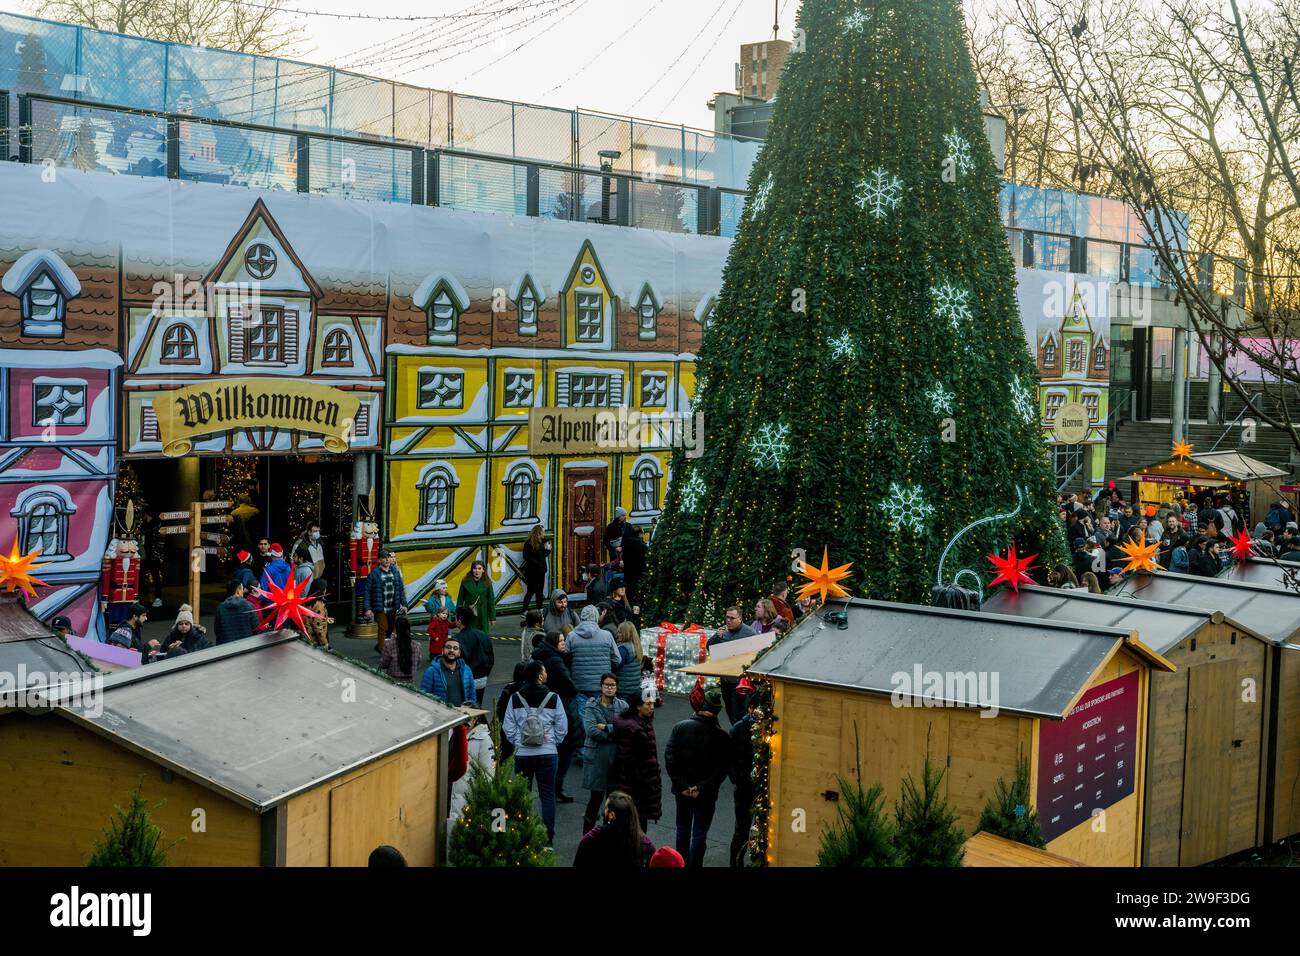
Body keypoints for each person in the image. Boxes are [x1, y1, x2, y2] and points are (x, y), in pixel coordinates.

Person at [665, 684, 731, 868]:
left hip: (682, 790)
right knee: (700, 833)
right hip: (706, 793)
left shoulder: (680, 728)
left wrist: (682, 785)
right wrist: (702, 787)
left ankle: (680, 863)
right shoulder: (722, 737)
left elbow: (670, 759)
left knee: (682, 829)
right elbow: (722, 769)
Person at [503, 660, 568, 845]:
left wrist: (519, 742)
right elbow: (562, 727)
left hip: (523, 755)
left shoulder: (515, 698)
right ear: (540, 676)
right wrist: (552, 742)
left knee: (523, 795)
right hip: (548, 754)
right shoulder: (553, 698)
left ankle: (523, 835)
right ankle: (548, 840)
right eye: (544, 671)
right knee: (547, 796)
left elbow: (508, 726)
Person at [531, 630, 579, 802]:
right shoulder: (556, 661)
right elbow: (569, 684)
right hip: (561, 706)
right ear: (553, 643)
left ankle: (551, 787)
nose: (563, 643)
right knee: (566, 747)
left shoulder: (542, 656)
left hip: (547, 706)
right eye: (560, 641)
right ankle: (555, 787)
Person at [581, 674, 629, 834]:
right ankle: (586, 835)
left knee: (613, 802)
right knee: (595, 799)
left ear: (617, 687)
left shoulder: (623, 706)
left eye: (613, 685)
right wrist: (614, 733)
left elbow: (626, 729)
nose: (609, 688)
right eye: (607, 685)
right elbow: (591, 730)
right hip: (597, 759)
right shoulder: (591, 705)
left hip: (615, 759)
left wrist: (606, 727)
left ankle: (609, 835)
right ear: (601, 686)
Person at [612, 692, 662, 832]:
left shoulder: (645, 722)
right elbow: (629, 758)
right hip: (637, 785)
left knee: (639, 822)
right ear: (638, 706)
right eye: (648, 704)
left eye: (653, 703)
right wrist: (643, 778)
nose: (652, 707)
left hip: (643, 783)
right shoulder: (633, 728)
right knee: (634, 823)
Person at [573, 790, 654, 868]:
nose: (603, 812)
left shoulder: (592, 839)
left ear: (612, 815)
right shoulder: (644, 844)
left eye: (605, 808)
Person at [448, 707, 496, 831]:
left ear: (476, 719)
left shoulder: (484, 740)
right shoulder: (451, 734)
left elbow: (488, 774)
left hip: (468, 796)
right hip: (450, 793)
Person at [708, 607, 757, 723]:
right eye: (727, 617)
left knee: (739, 712)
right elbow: (709, 648)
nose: (728, 620)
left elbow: (757, 655)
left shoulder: (750, 633)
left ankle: (740, 737)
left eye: (732, 618)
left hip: (740, 680)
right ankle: (736, 734)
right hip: (725, 679)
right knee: (729, 710)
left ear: (740, 619)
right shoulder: (723, 632)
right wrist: (716, 636)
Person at [729, 693, 760, 867]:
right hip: (744, 786)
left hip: (748, 785)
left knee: (749, 828)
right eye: (752, 708)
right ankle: (736, 862)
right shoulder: (739, 729)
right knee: (742, 828)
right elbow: (729, 757)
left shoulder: (739, 728)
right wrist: (737, 778)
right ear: (749, 708)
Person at [363, 549, 408, 655]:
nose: (387, 559)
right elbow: (367, 592)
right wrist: (368, 608)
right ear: (379, 560)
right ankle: (384, 651)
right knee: (383, 628)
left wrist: (405, 605)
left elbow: (401, 590)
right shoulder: (374, 574)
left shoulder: (395, 572)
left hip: (393, 606)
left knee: (393, 629)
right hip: (380, 607)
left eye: (388, 557)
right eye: (384, 558)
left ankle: (387, 647)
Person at [449, 605, 494, 705]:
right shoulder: (482, 635)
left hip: (465, 680)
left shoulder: (457, 639)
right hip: (482, 678)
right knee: (477, 705)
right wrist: (486, 674)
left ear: (459, 621)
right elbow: (491, 658)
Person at [420, 634, 476, 705]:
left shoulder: (466, 670)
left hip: (462, 714)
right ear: (443, 650)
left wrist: (470, 707)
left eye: (455, 648)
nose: (451, 650)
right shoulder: (432, 671)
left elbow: (472, 693)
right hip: (441, 714)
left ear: (459, 653)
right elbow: (424, 695)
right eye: (448, 647)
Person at [496, 662, 529, 764]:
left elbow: (500, 706)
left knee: (505, 752)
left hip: (507, 723)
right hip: (524, 725)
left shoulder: (508, 688)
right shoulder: (528, 689)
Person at [379, 609, 422, 683]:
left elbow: (383, 664)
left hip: (392, 680)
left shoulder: (389, 644)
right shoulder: (417, 645)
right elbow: (418, 663)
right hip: (410, 681)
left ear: (396, 629)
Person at [214, 579, 259, 644]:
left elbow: (217, 631)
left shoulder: (220, 608)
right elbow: (256, 629)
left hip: (226, 647)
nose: (243, 591)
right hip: (246, 646)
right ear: (238, 591)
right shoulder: (249, 606)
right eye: (242, 589)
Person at [457, 560, 496, 633]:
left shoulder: (487, 582)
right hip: (469, 614)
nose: (477, 571)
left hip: (483, 614)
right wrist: (458, 617)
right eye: (474, 568)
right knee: (469, 635)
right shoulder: (465, 581)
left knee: (482, 636)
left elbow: (491, 601)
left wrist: (492, 617)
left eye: (479, 568)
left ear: (483, 570)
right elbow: (460, 599)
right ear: (472, 569)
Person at [614, 621, 645, 708]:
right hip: (634, 687)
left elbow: (617, 665)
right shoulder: (637, 646)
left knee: (622, 713)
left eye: (620, 632)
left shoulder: (623, 649)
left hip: (624, 688)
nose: (618, 634)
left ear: (625, 633)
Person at [521, 525, 551, 616]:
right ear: (538, 532)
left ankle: (540, 609)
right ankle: (524, 610)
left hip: (540, 571)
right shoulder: (529, 543)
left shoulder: (541, 542)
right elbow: (526, 556)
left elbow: (542, 556)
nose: (544, 533)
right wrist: (537, 563)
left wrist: (548, 550)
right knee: (530, 591)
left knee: (539, 591)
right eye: (543, 531)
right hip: (532, 571)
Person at [139, 510, 166, 609]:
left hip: (154, 557)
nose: (143, 516)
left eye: (144, 514)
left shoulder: (158, 525)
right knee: (141, 576)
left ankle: (158, 598)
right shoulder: (144, 525)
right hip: (145, 556)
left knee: (156, 578)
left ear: (147, 514)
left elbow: (161, 543)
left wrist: (157, 555)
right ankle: (138, 597)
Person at [620, 524, 648, 601]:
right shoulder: (642, 546)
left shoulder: (626, 545)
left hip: (628, 574)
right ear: (639, 534)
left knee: (630, 595)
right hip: (639, 574)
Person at [301, 582, 333, 649]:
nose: (325, 590)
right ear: (321, 590)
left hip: (307, 637)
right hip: (316, 640)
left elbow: (311, 618)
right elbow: (318, 626)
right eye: (325, 588)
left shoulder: (307, 600)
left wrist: (326, 618)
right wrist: (324, 643)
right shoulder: (318, 604)